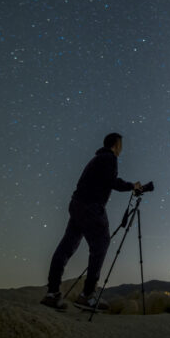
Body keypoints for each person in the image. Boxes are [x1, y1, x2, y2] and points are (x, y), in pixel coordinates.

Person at [40, 132, 143, 311]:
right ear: (116, 144)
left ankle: (52, 293)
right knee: (101, 244)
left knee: (66, 247)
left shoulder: (96, 159)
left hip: (77, 204)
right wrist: (132, 186)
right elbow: (112, 182)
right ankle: (87, 295)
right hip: (91, 206)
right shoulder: (109, 158)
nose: (122, 149)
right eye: (121, 145)